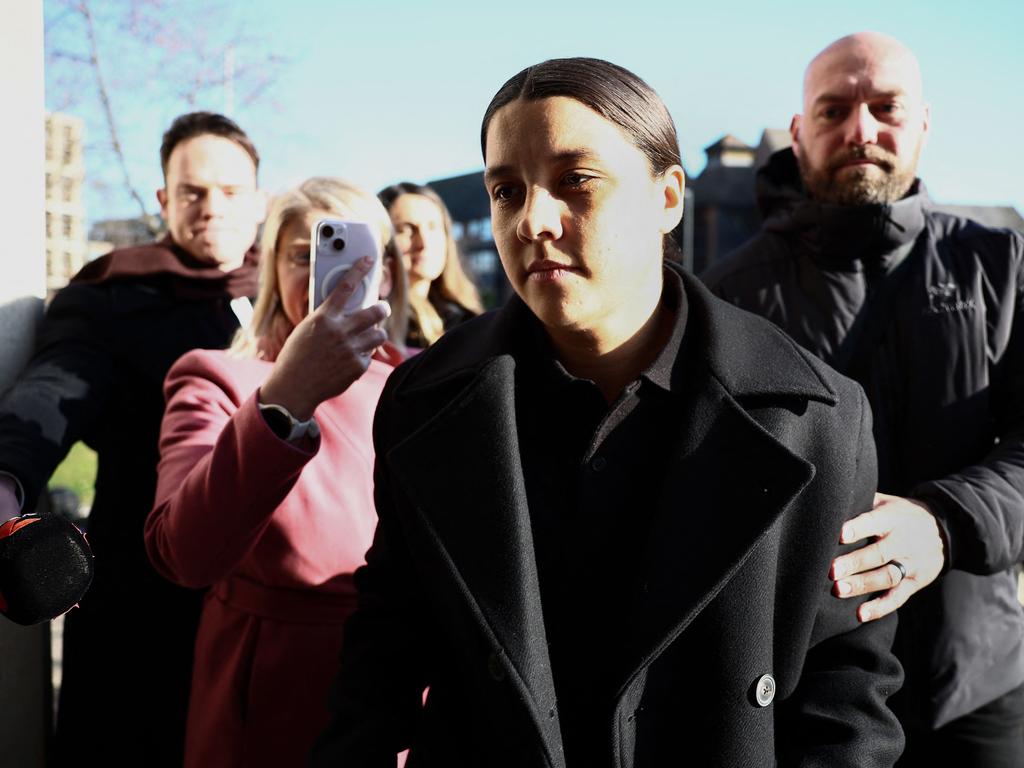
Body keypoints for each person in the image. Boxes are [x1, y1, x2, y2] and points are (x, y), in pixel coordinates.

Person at [311, 57, 903, 768]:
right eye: (506, 190)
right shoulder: (426, 403)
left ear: (668, 197)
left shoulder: (816, 416)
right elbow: (380, 667)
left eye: (576, 181)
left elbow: (845, 700)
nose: (532, 219)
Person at [702, 32, 1024, 767]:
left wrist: (944, 524)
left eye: (886, 108)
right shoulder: (728, 298)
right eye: (834, 109)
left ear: (924, 125)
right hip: (797, 702)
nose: (860, 130)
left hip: (976, 687)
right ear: (798, 130)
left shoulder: (1001, 265)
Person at [0, 111, 266, 766]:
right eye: (193, 192)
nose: (211, 209)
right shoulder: (114, 293)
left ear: (258, 201)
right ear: (163, 199)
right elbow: (54, 391)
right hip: (147, 602)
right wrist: (4, 481)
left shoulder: (295, 287)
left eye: (230, 192)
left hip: (272, 601)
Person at [145, 177, 403, 767]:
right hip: (270, 691)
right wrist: (288, 395)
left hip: (394, 684)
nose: (322, 270)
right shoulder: (216, 377)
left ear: (385, 276)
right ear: (271, 272)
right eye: (300, 254)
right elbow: (182, 552)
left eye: (343, 247)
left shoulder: (419, 381)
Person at [379, 182, 482, 347]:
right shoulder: (372, 323)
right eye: (407, 229)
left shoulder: (467, 322)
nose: (423, 243)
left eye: (433, 227)